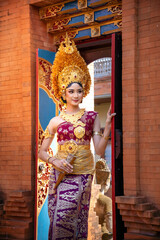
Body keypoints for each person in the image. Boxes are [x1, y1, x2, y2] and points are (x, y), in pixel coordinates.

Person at [38, 35, 116, 240]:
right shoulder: (55, 121)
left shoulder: (91, 117)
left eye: (79, 91)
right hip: (60, 175)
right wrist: (56, 161)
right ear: (63, 92)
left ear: (83, 93)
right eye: (71, 91)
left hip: (82, 175)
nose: (75, 95)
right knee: (58, 219)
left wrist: (107, 127)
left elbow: (98, 150)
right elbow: (41, 152)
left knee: (72, 217)